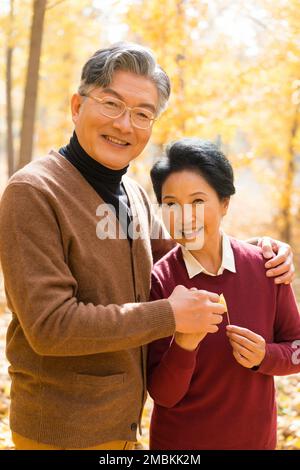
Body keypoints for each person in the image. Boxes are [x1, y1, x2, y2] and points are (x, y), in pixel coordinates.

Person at [0, 43, 295, 450]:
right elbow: (51, 327)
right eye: (111, 104)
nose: (125, 125)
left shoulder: (133, 195)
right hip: (64, 430)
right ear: (76, 106)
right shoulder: (34, 192)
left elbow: (185, 246)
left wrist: (261, 250)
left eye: (142, 114)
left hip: (125, 428)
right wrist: (169, 316)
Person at [147, 138, 300, 450]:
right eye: (170, 204)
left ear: (225, 203)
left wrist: (266, 356)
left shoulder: (267, 267)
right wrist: (185, 346)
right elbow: (162, 395)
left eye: (198, 202)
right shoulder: (159, 282)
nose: (184, 216)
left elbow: (297, 347)